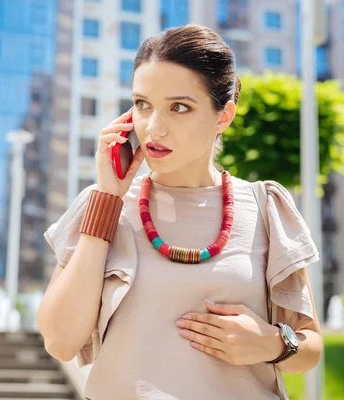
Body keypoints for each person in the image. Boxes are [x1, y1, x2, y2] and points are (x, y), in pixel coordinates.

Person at [36, 24, 323, 400]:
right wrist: (108, 198)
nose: (154, 127)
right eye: (142, 104)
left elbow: (310, 346)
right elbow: (60, 341)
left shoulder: (266, 207)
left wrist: (271, 344)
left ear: (223, 116)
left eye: (179, 107)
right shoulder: (102, 204)